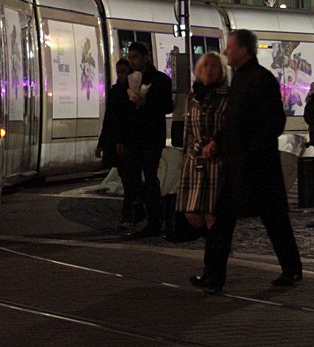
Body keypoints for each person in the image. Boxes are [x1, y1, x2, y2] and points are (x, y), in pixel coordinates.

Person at [193, 30, 302, 292]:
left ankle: (292, 269)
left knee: (274, 218)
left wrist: (251, 151)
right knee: (223, 219)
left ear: (244, 50)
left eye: (230, 48)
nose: (226, 52)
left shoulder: (260, 79)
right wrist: (218, 141)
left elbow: (274, 122)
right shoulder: (241, 79)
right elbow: (233, 121)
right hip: (238, 162)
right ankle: (213, 275)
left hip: (256, 164)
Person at [119, 42, 173, 238]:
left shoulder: (160, 80)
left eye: (135, 57)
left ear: (145, 57)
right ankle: (145, 208)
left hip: (151, 137)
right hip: (134, 138)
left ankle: (155, 220)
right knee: (131, 179)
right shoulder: (128, 80)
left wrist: (146, 103)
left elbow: (168, 106)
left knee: (151, 179)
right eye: (130, 57)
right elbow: (123, 112)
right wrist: (121, 138)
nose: (132, 60)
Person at [176, 53, 229, 233]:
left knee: (213, 216)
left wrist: (218, 145)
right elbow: (188, 133)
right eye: (205, 66)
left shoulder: (228, 96)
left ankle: (216, 254)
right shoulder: (192, 97)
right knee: (191, 213)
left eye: (214, 66)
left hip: (218, 164)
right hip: (195, 163)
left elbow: (234, 128)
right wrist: (184, 162)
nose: (209, 70)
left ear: (222, 71)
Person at [95, 58, 138, 228]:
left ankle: (128, 214)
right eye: (118, 71)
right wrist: (101, 143)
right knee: (127, 178)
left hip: (127, 141)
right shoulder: (115, 91)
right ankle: (134, 209)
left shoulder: (132, 91)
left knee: (128, 179)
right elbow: (109, 119)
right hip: (115, 140)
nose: (120, 75)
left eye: (123, 71)